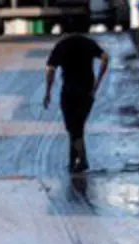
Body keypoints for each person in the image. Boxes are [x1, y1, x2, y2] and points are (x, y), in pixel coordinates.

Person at [44, 33, 109, 172]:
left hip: (69, 92)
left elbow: (50, 70)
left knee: (73, 127)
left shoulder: (61, 45)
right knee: (78, 125)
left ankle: (81, 159)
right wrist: (98, 82)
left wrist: (48, 92)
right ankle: (75, 160)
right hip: (87, 90)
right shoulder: (88, 42)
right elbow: (105, 57)